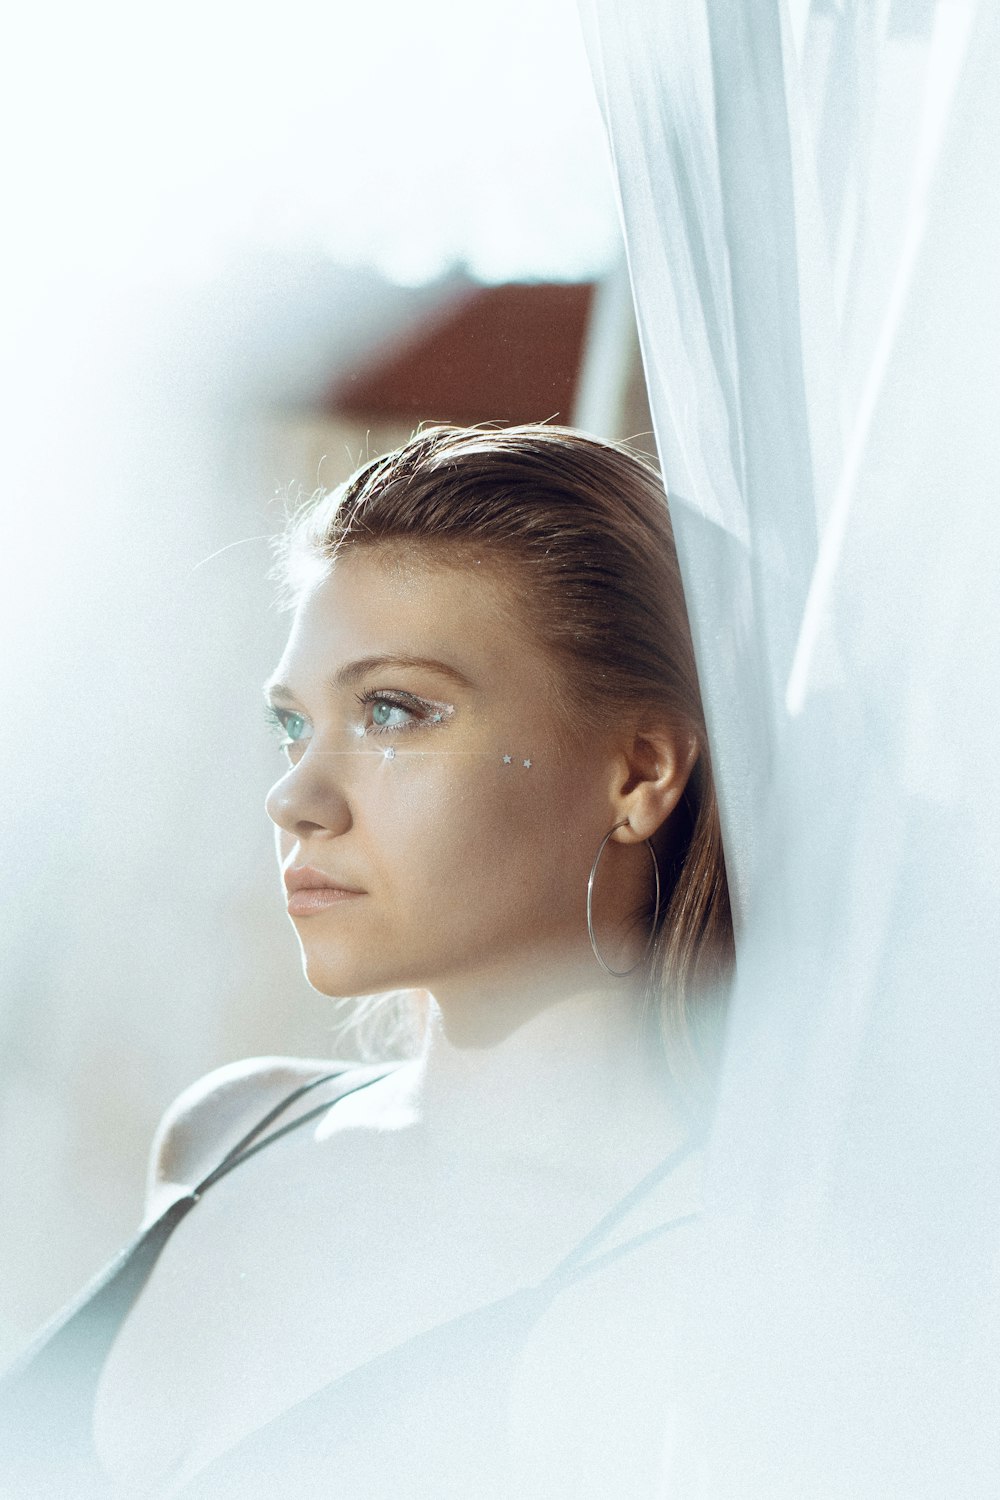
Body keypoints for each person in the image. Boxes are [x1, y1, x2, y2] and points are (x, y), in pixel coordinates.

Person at [0, 423, 733, 1497]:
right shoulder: (227, 1134)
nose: (294, 798)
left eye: (392, 711)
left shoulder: (691, 1288)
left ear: (639, 771)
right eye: (294, 725)